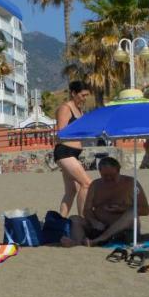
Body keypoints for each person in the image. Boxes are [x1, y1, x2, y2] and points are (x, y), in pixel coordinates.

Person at [62, 156, 149, 246]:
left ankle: (100, 239)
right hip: (100, 227)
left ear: (118, 170)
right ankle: (77, 242)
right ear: (100, 172)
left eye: (112, 175)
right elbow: (87, 210)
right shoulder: (95, 185)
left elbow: (145, 210)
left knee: (133, 212)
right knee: (74, 219)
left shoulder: (131, 183)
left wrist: (122, 208)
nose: (108, 178)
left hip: (123, 228)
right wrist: (94, 221)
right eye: (105, 175)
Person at [54, 80, 92, 218]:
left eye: (86, 95)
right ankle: (83, 220)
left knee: (71, 191)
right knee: (87, 184)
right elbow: (61, 132)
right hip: (64, 152)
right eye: (82, 95)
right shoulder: (66, 108)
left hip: (74, 154)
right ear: (73, 93)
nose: (85, 98)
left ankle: (61, 221)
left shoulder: (80, 110)